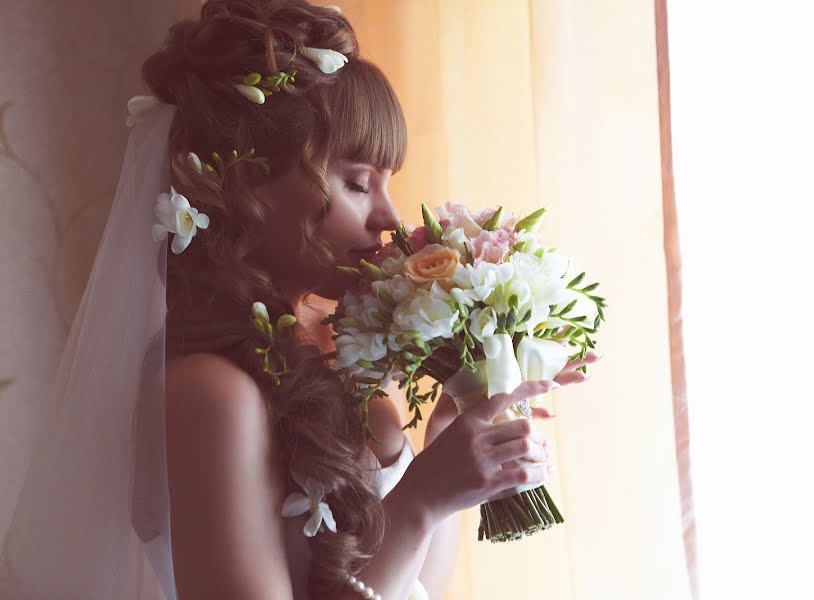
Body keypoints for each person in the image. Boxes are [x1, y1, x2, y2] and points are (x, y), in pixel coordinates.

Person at [0, 1, 596, 599]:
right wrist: (418, 502)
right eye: (358, 183)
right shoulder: (211, 390)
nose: (390, 217)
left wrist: (455, 425)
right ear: (246, 187)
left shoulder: (347, 354)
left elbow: (415, 588)